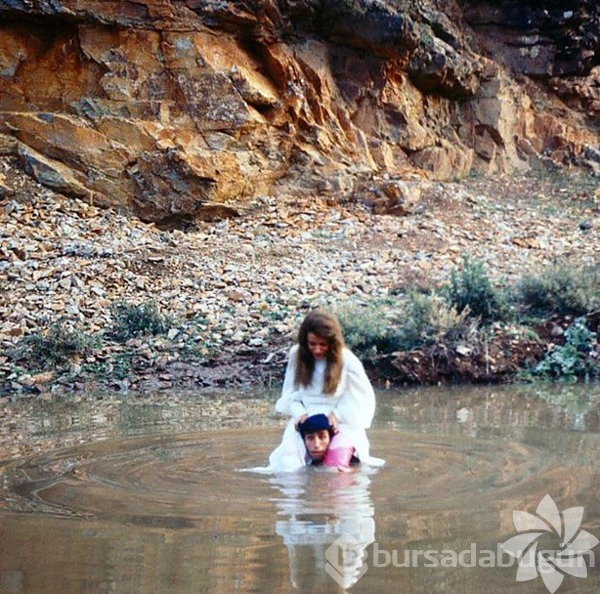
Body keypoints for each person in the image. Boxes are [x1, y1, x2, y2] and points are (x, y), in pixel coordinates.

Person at [266, 309, 384, 472]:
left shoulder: (347, 359)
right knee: (289, 465)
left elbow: (361, 398)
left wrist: (337, 415)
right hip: (306, 421)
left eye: (323, 345)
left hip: (340, 423)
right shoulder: (296, 355)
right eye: (312, 344)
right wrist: (299, 414)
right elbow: (290, 395)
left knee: (335, 469)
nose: (317, 350)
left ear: (332, 343)